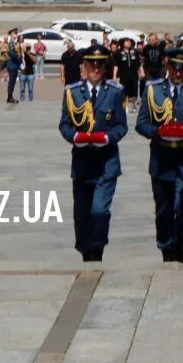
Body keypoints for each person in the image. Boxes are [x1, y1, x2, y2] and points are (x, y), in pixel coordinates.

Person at [58, 45, 128, 262]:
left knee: (99, 210)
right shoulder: (72, 92)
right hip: (82, 161)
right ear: (84, 66)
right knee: (82, 213)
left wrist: (108, 138)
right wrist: (75, 137)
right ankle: (85, 250)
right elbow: (65, 124)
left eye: (99, 65)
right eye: (91, 64)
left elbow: (121, 126)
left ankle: (97, 249)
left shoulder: (115, 92)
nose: (95, 69)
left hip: (106, 162)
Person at [136, 48, 183, 262]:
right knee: (164, 210)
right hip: (162, 159)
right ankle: (166, 248)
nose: (178, 73)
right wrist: (158, 132)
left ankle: (180, 246)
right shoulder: (153, 90)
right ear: (167, 65)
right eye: (174, 67)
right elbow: (141, 124)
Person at [4, 28, 24, 104]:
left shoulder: (15, 42)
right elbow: (13, 55)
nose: (16, 34)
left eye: (16, 33)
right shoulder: (11, 43)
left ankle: (10, 96)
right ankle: (9, 97)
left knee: (13, 82)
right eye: (15, 33)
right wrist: (19, 63)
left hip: (14, 65)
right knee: (11, 82)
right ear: (11, 34)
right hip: (12, 64)